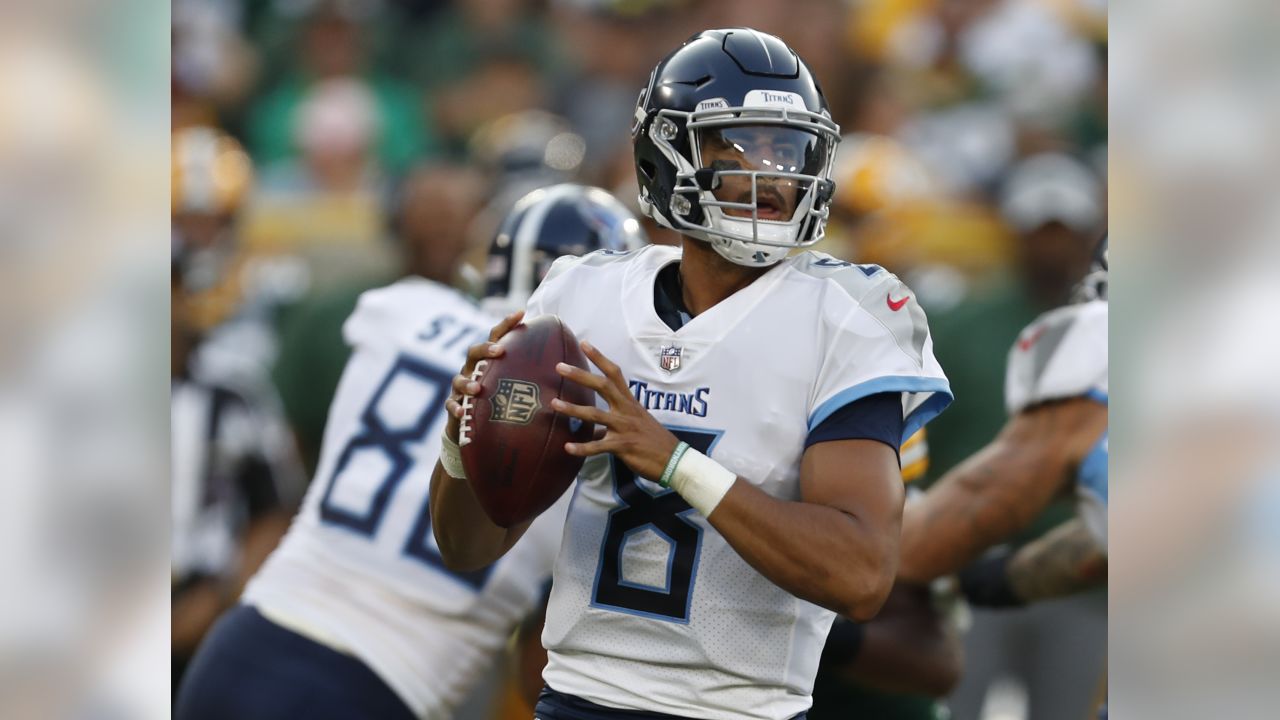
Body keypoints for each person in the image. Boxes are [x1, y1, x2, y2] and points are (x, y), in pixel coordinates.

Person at [432, 28, 952, 719]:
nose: (774, 173)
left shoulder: (849, 315)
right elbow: (466, 545)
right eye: (740, 146)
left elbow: (859, 576)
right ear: (664, 156)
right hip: (578, 698)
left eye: (788, 148)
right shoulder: (578, 296)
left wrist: (675, 462)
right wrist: (462, 438)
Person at [174, 184, 648, 720]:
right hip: (379, 689)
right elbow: (537, 668)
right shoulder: (597, 426)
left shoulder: (399, 309)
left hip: (245, 640)